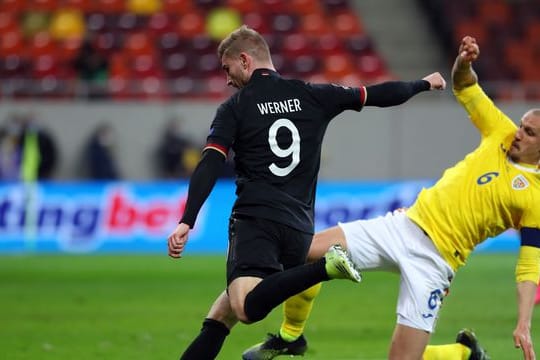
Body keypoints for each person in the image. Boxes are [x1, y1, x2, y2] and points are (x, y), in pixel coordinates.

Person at [243, 35, 539, 360]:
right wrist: (464, 63)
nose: (518, 134)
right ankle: (290, 337)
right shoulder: (500, 131)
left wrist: (523, 322)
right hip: (403, 225)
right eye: (522, 125)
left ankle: (462, 354)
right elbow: (465, 87)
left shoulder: (535, 199)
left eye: (529, 132)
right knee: (307, 250)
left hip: (436, 261)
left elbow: (529, 265)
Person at [167, 25, 446, 360]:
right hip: (300, 230)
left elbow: (210, 163)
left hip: (257, 221)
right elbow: (378, 94)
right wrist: (424, 84)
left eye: (227, 69)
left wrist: (187, 219)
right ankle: (313, 280)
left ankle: (325, 269)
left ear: (244, 60)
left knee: (244, 308)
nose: (227, 79)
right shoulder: (312, 95)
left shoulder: (235, 108)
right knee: (220, 316)